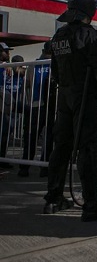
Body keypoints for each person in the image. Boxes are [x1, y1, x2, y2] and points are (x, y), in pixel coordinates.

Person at [44, 0, 97, 221]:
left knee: (62, 146)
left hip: (65, 95)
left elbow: (54, 71)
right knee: (88, 148)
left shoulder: (59, 36)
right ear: (91, 10)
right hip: (85, 96)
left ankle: (54, 196)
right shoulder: (89, 35)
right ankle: (92, 203)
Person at [18, 42, 55, 178]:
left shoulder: (34, 65)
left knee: (31, 137)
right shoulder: (56, 64)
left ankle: (25, 167)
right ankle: (44, 167)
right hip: (49, 105)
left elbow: (26, 84)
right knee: (48, 138)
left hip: (35, 104)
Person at [0, 42, 13, 169]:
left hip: (6, 105)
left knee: (6, 133)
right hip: (1, 104)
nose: (8, 54)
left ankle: (2, 158)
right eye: (6, 51)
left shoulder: (7, 66)